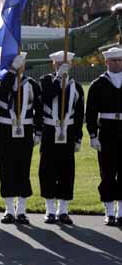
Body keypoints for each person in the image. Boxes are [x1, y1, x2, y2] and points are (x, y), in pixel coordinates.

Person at [0, 52, 42, 225]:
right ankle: (8, 209)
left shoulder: (31, 84)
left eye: (21, 63)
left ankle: (21, 209)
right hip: (7, 129)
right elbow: (1, 93)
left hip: (25, 129)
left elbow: (38, 108)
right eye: (16, 63)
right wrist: (12, 71)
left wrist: (38, 131)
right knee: (6, 167)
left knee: (23, 167)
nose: (20, 65)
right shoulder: (1, 81)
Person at [39, 51, 84, 225]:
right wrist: (59, 77)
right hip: (50, 130)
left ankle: (63, 210)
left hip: (68, 131)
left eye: (65, 65)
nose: (62, 68)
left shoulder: (76, 86)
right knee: (48, 170)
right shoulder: (46, 81)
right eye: (58, 65)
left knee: (67, 171)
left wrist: (78, 138)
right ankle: (50, 210)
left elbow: (80, 115)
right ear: (53, 65)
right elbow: (48, 96)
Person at [86, 46, 122, 226]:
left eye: (120, 60)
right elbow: (90, 112)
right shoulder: (98, 84)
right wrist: (93, 135)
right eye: (114, 60)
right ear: (106, 62)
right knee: (107, 172)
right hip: (107, 131)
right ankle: (109, 211)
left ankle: (121, 212)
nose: (117, 63)